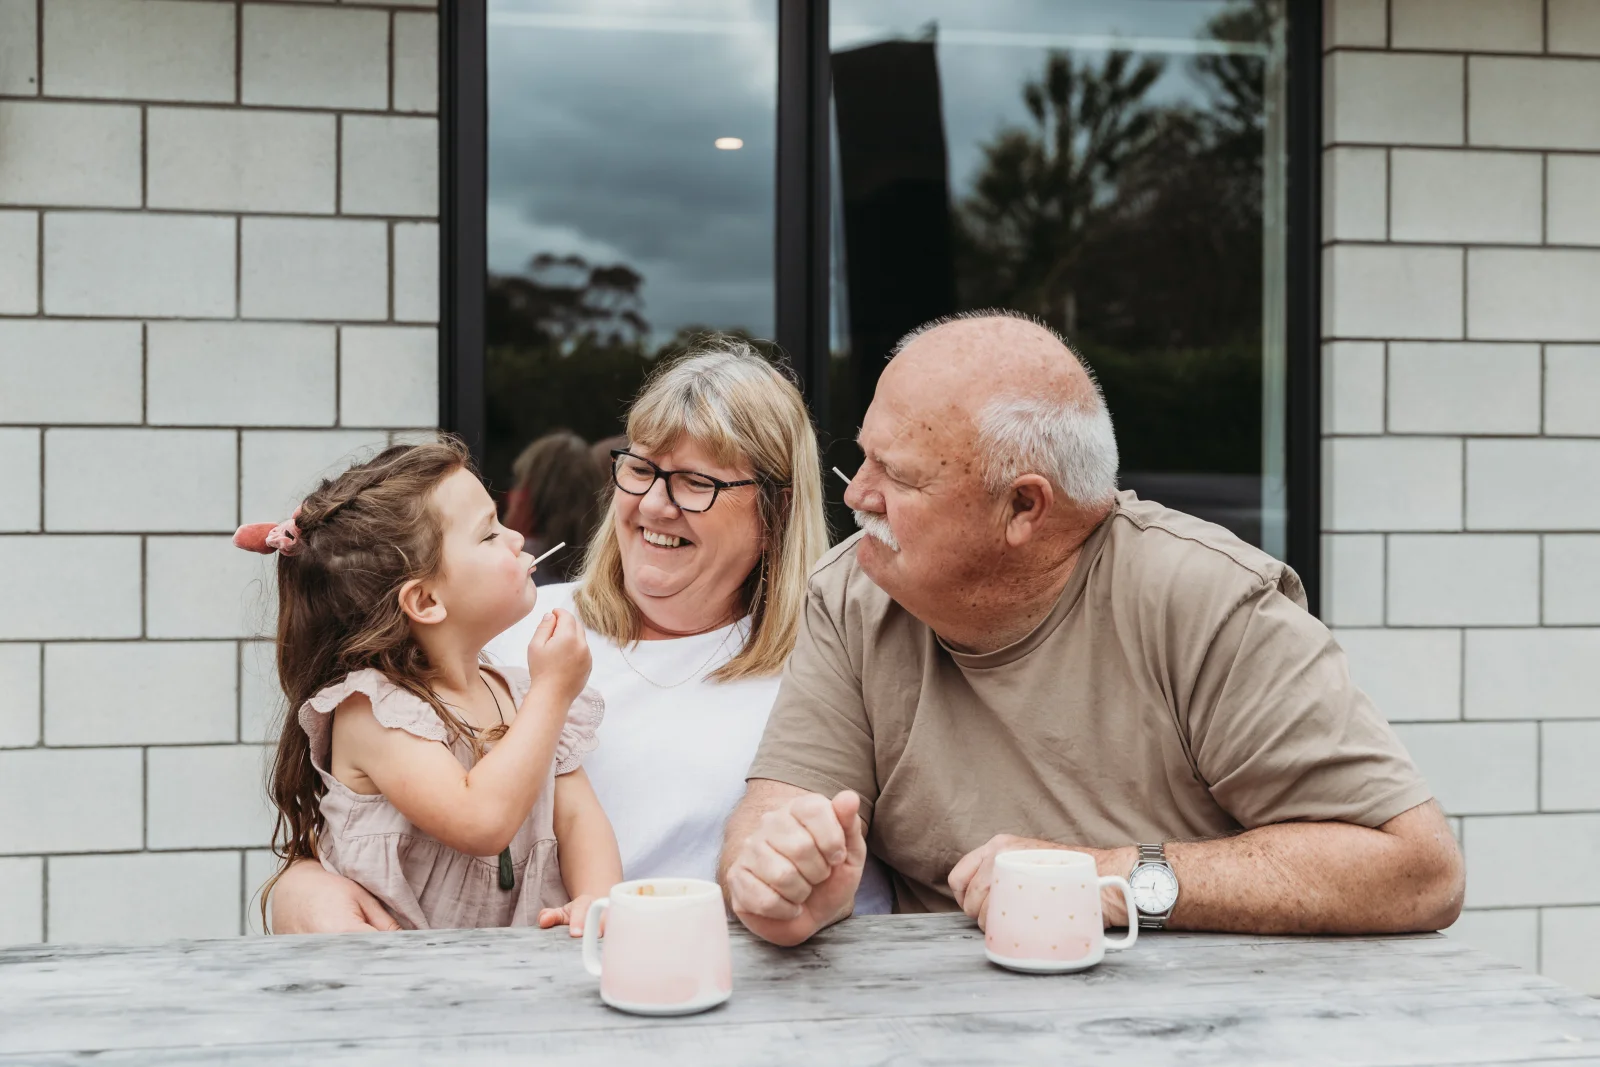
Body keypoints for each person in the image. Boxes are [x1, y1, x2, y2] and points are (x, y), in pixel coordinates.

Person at [721, 310, 1464, 947]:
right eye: (862, 456)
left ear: (1023, 508)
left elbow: (1418, 870)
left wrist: (1114, 875)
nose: (858, 494)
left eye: (901, 477)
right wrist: (777, 876)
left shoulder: (1207, 601)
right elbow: (778, 811)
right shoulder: (852, 590)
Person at [266, 338, 891, 934]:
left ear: (775, 510)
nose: (653, 504)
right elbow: (368, 823)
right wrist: (297, 892)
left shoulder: (831, 663)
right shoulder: (515, 634)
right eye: (640, 468)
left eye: (697, 483)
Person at [244, 438, 621, 932]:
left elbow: (577, 821)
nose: (514, 538)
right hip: (396, 986)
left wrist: (597, 897)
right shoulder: (372, 710)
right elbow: (480, 821)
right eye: (488, 535)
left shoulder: (523, 694)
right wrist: (554, 692)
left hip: (515, 984)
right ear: (424, 601)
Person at [501, 430, 607, 586]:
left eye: (518, 481)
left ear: (530, 494)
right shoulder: (604, 565)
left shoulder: (512, 560)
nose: (511, 495)